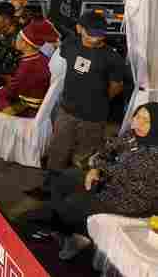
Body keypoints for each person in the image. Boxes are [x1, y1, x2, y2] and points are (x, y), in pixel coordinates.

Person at [46, 103, 158, 261]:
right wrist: (94, 169)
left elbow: (121, 172)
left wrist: (97, 166)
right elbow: (107, 148)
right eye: (137, 116)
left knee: (74, 202)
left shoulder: (154, 153)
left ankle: (78, 237)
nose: (138, 122)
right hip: (111, 183)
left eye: (146, 120)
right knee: (62, 178)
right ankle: (64, 230)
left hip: (132, 200)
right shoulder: (132, 135)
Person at [34, 10, 126, 199]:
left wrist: (97, 99)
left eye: (100, 34)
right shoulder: (70, 46)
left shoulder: (112, 57)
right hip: (67, 110)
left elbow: (116, 86)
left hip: (94, 116)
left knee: (87, 155)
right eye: (92, 33)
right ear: (79, 29)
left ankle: (82, 196)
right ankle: (49, 188)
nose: (96, 38)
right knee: (58, 149)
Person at [0, 19, 57, 132]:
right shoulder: (43, 58)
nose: (15, 40)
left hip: (26, 107)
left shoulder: (27, 65)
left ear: (25, 44)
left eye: (18, 39)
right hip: (38, 102)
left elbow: (11, 91)